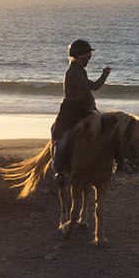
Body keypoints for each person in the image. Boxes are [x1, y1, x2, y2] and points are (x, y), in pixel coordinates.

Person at [52, 39, 110, 177]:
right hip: (72, 112)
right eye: (87, 57)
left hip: (86, 109)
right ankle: (58, 171)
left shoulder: (80, 69)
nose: (89, 60)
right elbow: (94, 86)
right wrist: (105, 75)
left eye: (90, 56)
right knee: (63, 140)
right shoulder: (73, 72)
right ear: (78, 56)